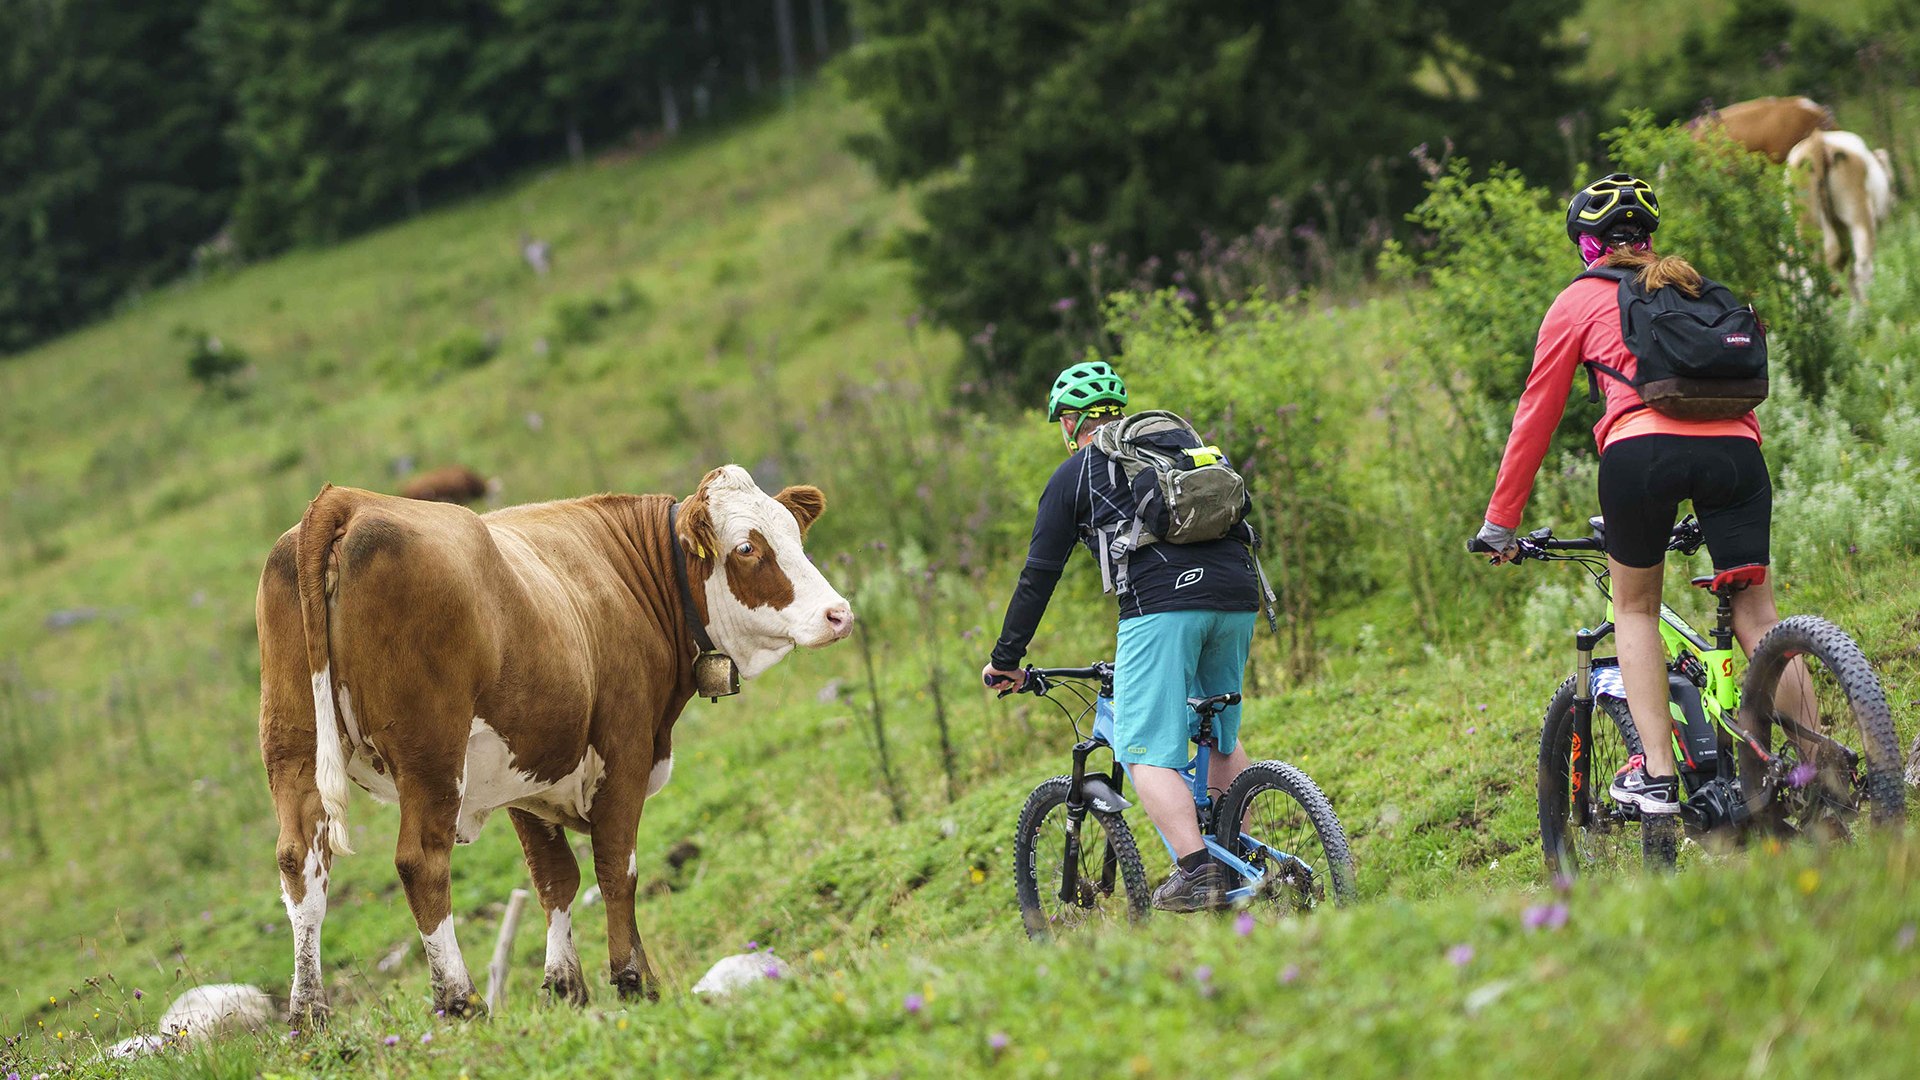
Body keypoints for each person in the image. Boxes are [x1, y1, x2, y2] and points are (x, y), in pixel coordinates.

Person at [1472, 172, 1809, 817]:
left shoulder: (1576, 302)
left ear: (1588, 246)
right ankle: (1818, 768)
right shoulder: (1690, 287)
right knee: (1759, 614)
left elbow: (1535, 417)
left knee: (1634, 608)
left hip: (1641, 453)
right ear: (1648, 240)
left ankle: (1655, 774)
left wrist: (1500, 521)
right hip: (1738, 452)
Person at [982, 361, 1262, 911]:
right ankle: (1242, 862)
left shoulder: (1077, 473)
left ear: (1071, 421)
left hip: (1161, 605)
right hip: (1237, 592)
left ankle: (1198, 872)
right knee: (1220, 733)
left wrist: (1007, 657)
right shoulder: (1176, 446)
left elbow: (1039, 574)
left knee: (1141, 746)